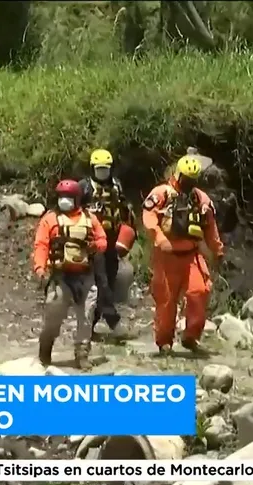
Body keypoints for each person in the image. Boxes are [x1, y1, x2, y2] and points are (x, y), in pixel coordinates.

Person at [142, 155, 224, 356]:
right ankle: (164, 342)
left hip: (191, 254)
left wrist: (217, 249)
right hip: (167, 255)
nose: (188, 183)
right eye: (186, 178)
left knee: (200, 291)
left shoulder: (201, 199)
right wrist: (160, 238)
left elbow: (210, 227)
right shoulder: (161, 193)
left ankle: (190, 337)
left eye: (192, 179)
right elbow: (149, 216)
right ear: (178, 174)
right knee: (167, 300)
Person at [33, 179, 107, 369]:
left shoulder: (90, 218)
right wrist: (40, 268)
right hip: (60, 277)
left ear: (77, 198)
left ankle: (82, 354)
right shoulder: (49, 219)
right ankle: (45, 348)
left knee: (87, 315)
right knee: (53, 316)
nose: (64, 200)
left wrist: (94, 246)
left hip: (85, 275)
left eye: (68, 197)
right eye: (61, 197)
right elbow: (41, 245)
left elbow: (102, 240)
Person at [78, 148, 136, 338]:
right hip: (93, 240)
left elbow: (123, 208)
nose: (102, 173)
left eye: (105, 169)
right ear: (92, 168)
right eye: (99, 169)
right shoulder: (84, 187)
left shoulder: (116, 186)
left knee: (108, 281)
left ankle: (89, 326)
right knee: (101, 280)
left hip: (112, 237)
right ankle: (113, 321)